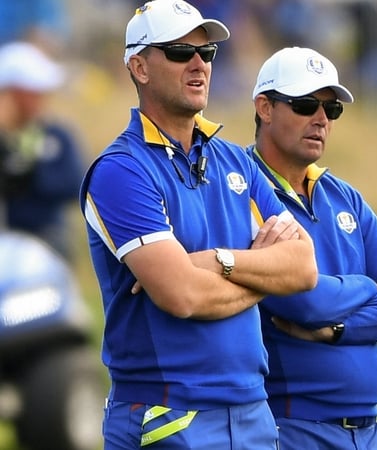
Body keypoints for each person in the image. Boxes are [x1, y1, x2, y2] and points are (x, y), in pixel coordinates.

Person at [79, 2, 317, 449]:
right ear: (139, 67)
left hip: (251, 411)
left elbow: (303, 267)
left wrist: (217, 262)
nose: (198, 64)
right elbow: (182, 296)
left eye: (206, 53)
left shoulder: (235, 161)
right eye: (178, 52)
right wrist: (263, 273)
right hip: (167, 415)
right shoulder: (121, 170)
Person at [248, 46, 377, 449]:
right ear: (265, 107)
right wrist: (367, 285)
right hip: (292, 426)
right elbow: (300, 302)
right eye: (306, 104)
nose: (321, 120)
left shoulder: (343, 196)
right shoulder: (242, 187)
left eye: (331, 110)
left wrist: (338, 331)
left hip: (371, 431)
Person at [0, 41, 85, 260]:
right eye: (32, 91)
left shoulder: (55, 135)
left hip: (46, 239)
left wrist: (29, 172)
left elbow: (73, 184)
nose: (42, 98)